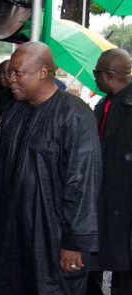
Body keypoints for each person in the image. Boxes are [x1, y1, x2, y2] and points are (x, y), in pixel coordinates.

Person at [0, 42, 101, 294]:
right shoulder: (14, 110)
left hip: (50, 234)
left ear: (43, 72)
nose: (10, 79)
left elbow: (83, 184)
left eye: (18, 73)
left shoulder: (75, 116)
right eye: (10, 72)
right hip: (12, 229)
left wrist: (75, 242)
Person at [86, 48, 132, 295]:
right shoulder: (104, 103)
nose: (94, 78)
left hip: (125, 203)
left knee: (123, 275)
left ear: (110, 75)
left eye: (96, 73)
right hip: (103, 199)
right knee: (95, 261)